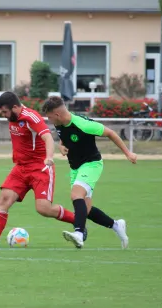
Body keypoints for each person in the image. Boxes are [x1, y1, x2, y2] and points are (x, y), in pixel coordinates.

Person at [0, 92, 75, 249]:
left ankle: (77, 221)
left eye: (6, 112)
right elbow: (8, 109)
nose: (5, 116)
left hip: (40, 167)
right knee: (4, 200)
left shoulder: (31, 118)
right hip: (21, 167)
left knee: (43, 209)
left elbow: (48, 137)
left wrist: (49, 157)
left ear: (15, 107)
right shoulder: (13, 112)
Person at [41, 96, 138, 249]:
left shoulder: (83, 124)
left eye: (49, 116)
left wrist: (128, 153)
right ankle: (116, 225)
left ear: (57, 114)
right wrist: (62, 145)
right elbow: (64, 135)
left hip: (91, 164)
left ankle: (79, 234)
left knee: (75, 195)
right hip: (75, 168)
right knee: (86, 210)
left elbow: (111, 133)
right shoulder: (60, 123)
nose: (49, 120)